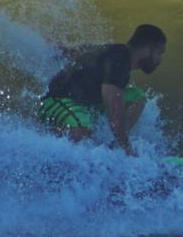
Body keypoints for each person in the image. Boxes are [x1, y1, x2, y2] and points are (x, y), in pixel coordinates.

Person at [38, 24, 167, 156]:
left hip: (84, 105)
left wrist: (61, 50)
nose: (159, 60)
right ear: (148, 49)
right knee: (82, 133)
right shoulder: (119, 58)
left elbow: (81, 50)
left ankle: (113, 145)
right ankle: (52, 141)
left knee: (137, 97)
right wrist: (128, 150)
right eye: (159, 53)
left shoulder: (116, 52)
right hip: (55, 101)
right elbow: (115, 110)